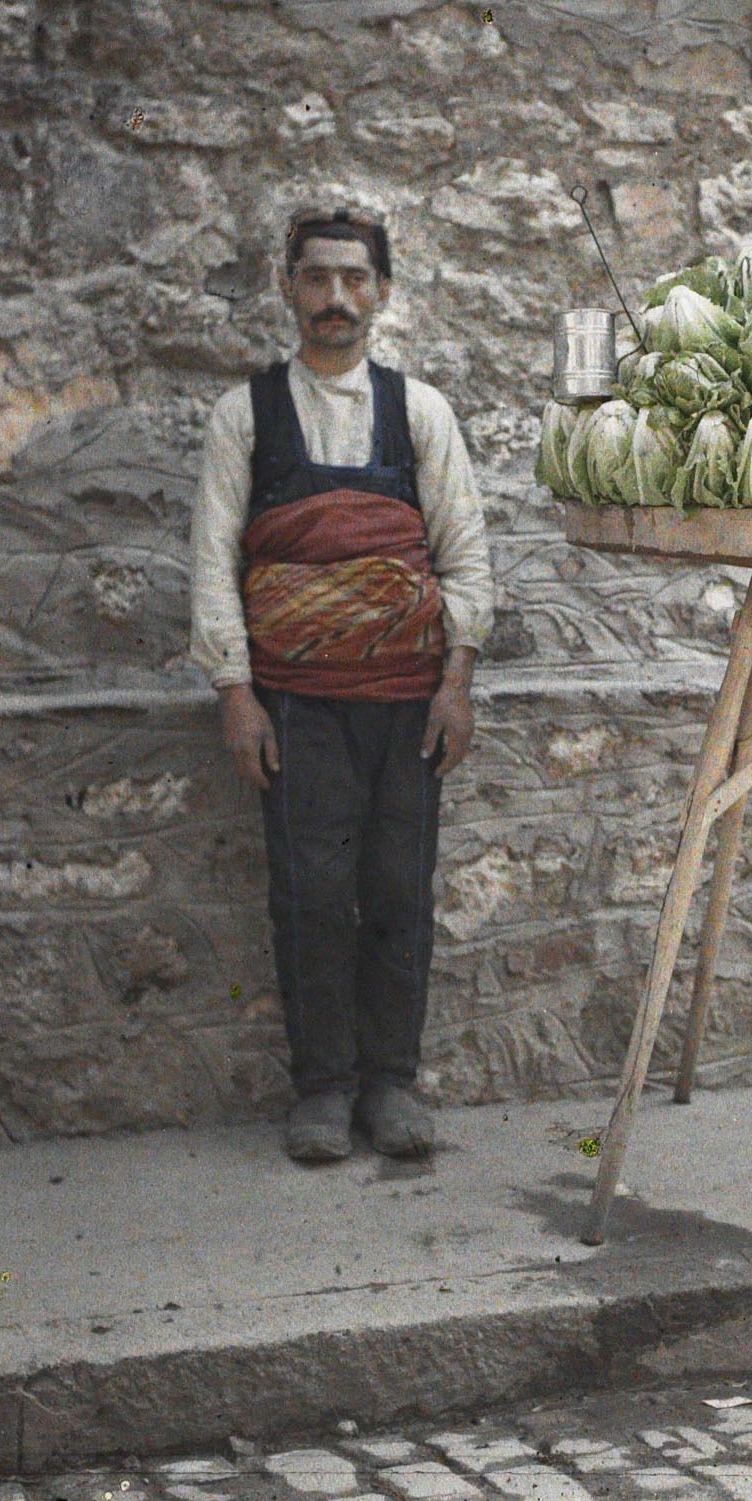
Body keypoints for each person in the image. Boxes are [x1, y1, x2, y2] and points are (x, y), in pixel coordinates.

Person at [190, 206, 494, 1163]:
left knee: (398, 889)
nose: (335, 298)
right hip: (296, 708)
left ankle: (391, 1086)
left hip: (409, 703)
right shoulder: (244, 415)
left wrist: (457, 681)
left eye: (355, 280)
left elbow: (464, 556)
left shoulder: (421, 412)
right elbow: (211, 564)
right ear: (288, 286)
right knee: (311, 894)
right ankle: (321, 1089)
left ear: (383, 292)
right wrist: (235, 692)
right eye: (317, 278)